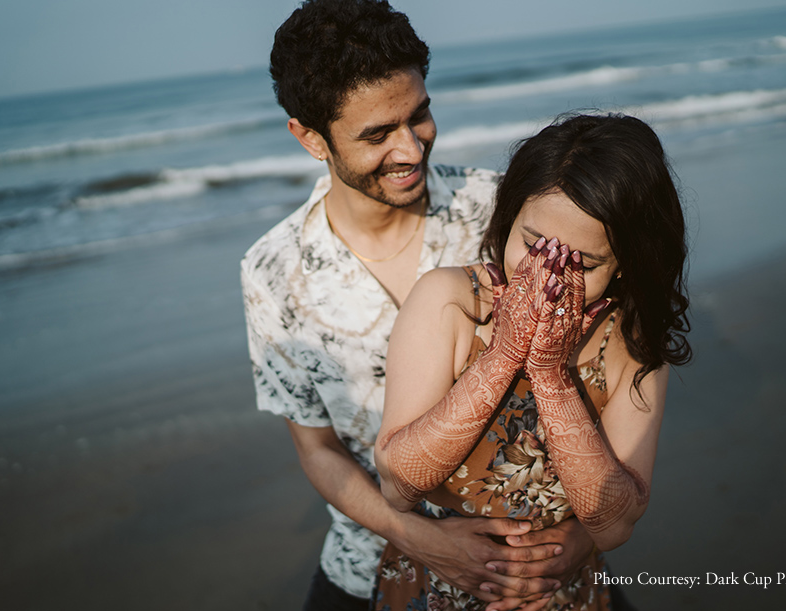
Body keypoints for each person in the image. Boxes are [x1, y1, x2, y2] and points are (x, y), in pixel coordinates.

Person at [241, 2, 601, 609]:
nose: (411, 149)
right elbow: (318, 449)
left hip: (534, 549)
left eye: (421, 115)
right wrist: (420, 537)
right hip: (370, 555)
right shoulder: (272, 272)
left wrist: (584, 535)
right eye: (377, 135)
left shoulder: (504, 211)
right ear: (309, 137)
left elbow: (602, 367)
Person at [374, 113, 692, 609]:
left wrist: (549, 372)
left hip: (560, 592)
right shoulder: (449, 302)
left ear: (627, 261)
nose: (548, 276)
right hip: (436, 585)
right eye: (531, 244)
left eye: (581, 264)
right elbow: (398, 487)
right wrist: (503, 357)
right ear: (509, 215)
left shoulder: (631, 344)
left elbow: (613, 528)